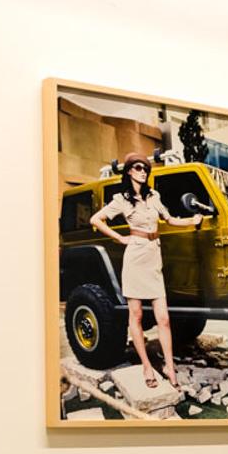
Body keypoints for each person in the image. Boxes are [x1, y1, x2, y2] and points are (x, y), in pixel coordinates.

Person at [90, 154, 201, 391]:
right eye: (138, 168)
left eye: (146, 168)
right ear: (129, 171)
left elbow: (169, 220)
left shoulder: (154, 196)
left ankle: (169, 367)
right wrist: (120, 237)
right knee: (137, 316)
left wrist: (193, 219)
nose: (143, 171)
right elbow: (96, 219)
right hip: (135, 257)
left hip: (153, 257)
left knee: (163, 318)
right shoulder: (120, 199)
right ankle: (146, 366)